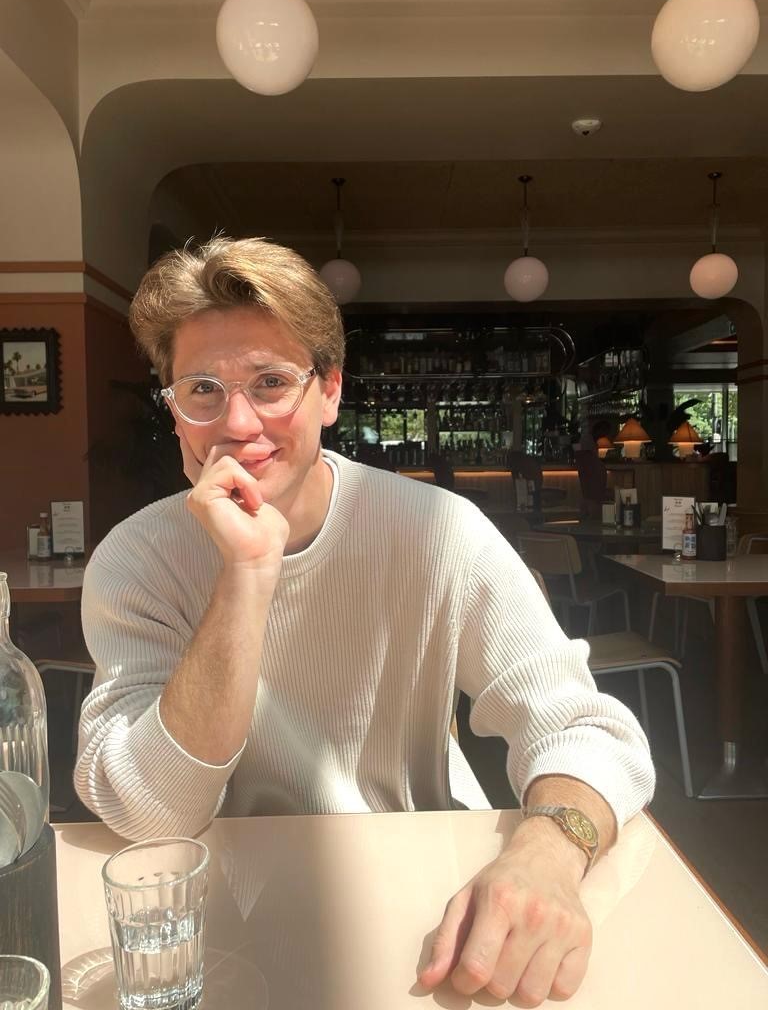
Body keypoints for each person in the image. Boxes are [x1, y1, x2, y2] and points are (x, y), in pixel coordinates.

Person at [75, 236, 655, 1007]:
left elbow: (587, 728)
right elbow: (151, 813)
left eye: (271, 382)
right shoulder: (136, 559)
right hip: (221, 922)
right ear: (175, 410)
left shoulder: (437, 531)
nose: (237, 422)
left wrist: (547, 852)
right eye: (202, 389)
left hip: (430, 911)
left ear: (330, 392)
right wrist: (245, 575)